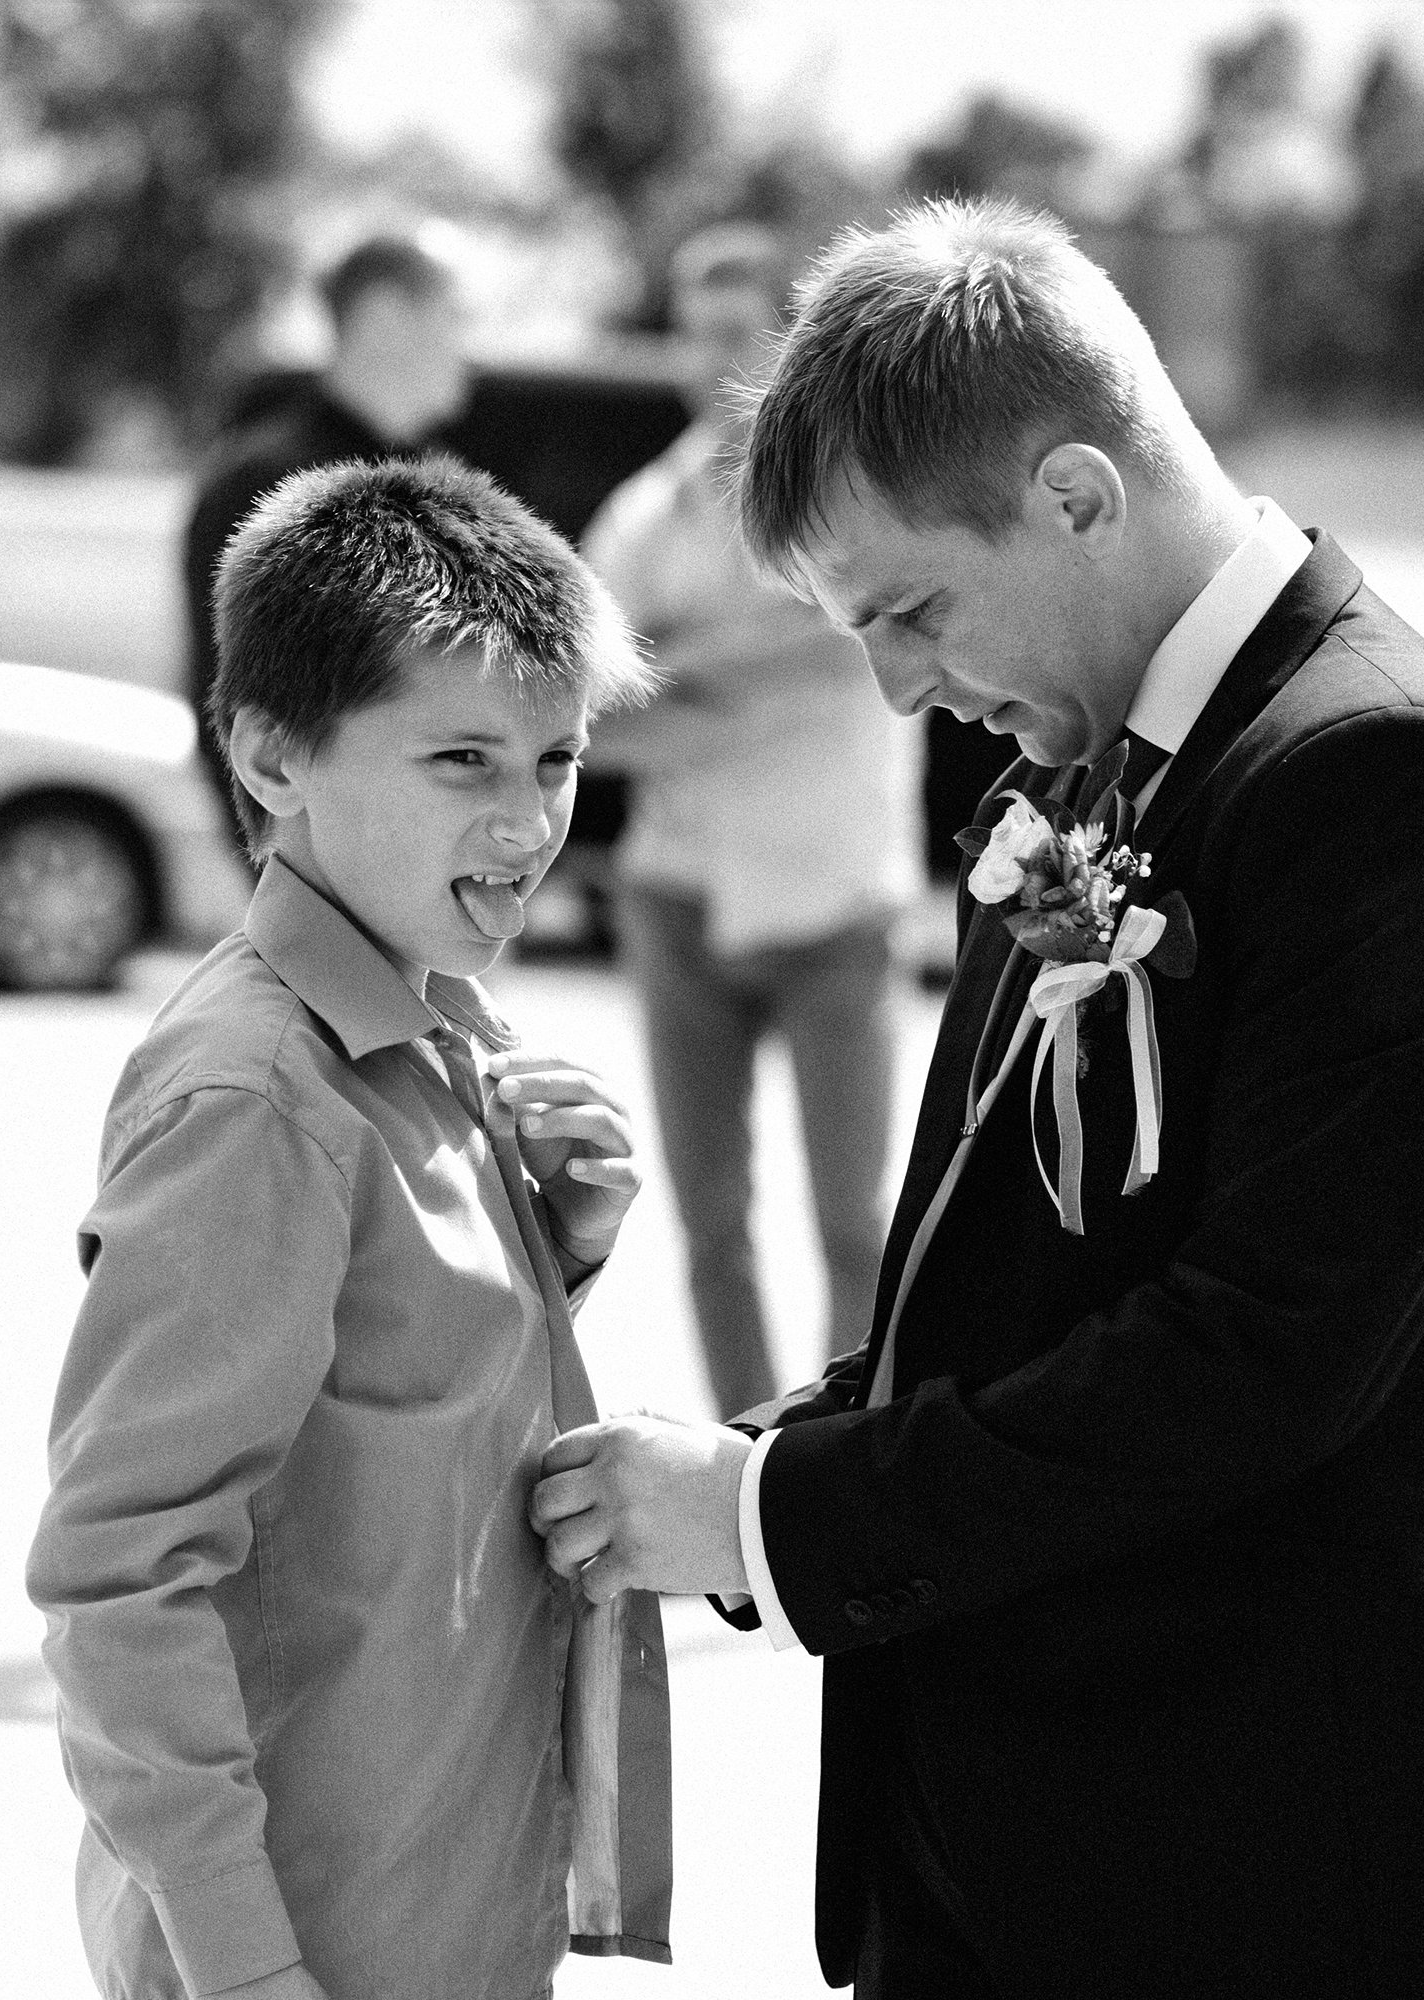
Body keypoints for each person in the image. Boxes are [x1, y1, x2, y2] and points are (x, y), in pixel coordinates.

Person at [531, 198, 1424, 2000]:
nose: (894, 689)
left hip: (1260, 1874)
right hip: (1008, 1850)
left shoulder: (1399, 784)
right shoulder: (1082, 767)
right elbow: (1006, 1293)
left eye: (910, 611)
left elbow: (1254, 1363)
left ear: (1080, 496)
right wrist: (731, 1470)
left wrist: (782, 1517)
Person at [29, 457, 671, 2000]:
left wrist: (556, 1247)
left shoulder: (434, 1027)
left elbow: (384, 1400)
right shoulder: (259, 1095)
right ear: (270, 758)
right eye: (461, 760)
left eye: (557, 760)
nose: (527, 823)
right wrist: (248, 1971)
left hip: (447, 1904)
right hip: (312, 1944)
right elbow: (122, 1582)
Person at [580, 221, 923, 1419]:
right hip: (675, 900)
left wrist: (673, 669)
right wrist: (769, 655)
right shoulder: (640, 514)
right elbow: (585, 715)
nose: (705, 359)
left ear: (787, 342)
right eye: (689, 332)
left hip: (836, 908)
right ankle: (740, 1465)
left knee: (854, 1228)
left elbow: (856, 654)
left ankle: (839, 1461)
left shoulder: (862, 502)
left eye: (732, 332)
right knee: (709, 1229)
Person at [182, 233, 471, 848]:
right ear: (385, 318)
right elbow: (234, 707)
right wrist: (287, 868)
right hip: (327, 862)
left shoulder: (448, 484)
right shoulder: (261, 486)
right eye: (454, 316)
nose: (469, 346)